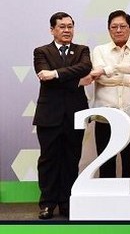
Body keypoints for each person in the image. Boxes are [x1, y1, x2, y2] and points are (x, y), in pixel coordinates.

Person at [33, 12, 91, 219]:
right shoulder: (41, 51)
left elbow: (85, 67)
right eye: (62, 27)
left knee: (71, 159)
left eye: (70, 26)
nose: (67, 30)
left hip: (75, 114)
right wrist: (77, 80)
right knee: (48, 159)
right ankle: (47, 204)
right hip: (49, 115)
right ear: (52, 30)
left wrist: (56, 73)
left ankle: (67, 202)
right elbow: (43, 76)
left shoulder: (82, 50)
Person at [87, 10, 130, 179]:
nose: (119, 30)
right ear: (109, 29)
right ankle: (107, 201)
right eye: (114, 26)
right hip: (105, 115)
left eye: (123, 26)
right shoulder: (99, 50)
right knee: (106, 160)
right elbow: (101, 80)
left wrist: (108, 69)